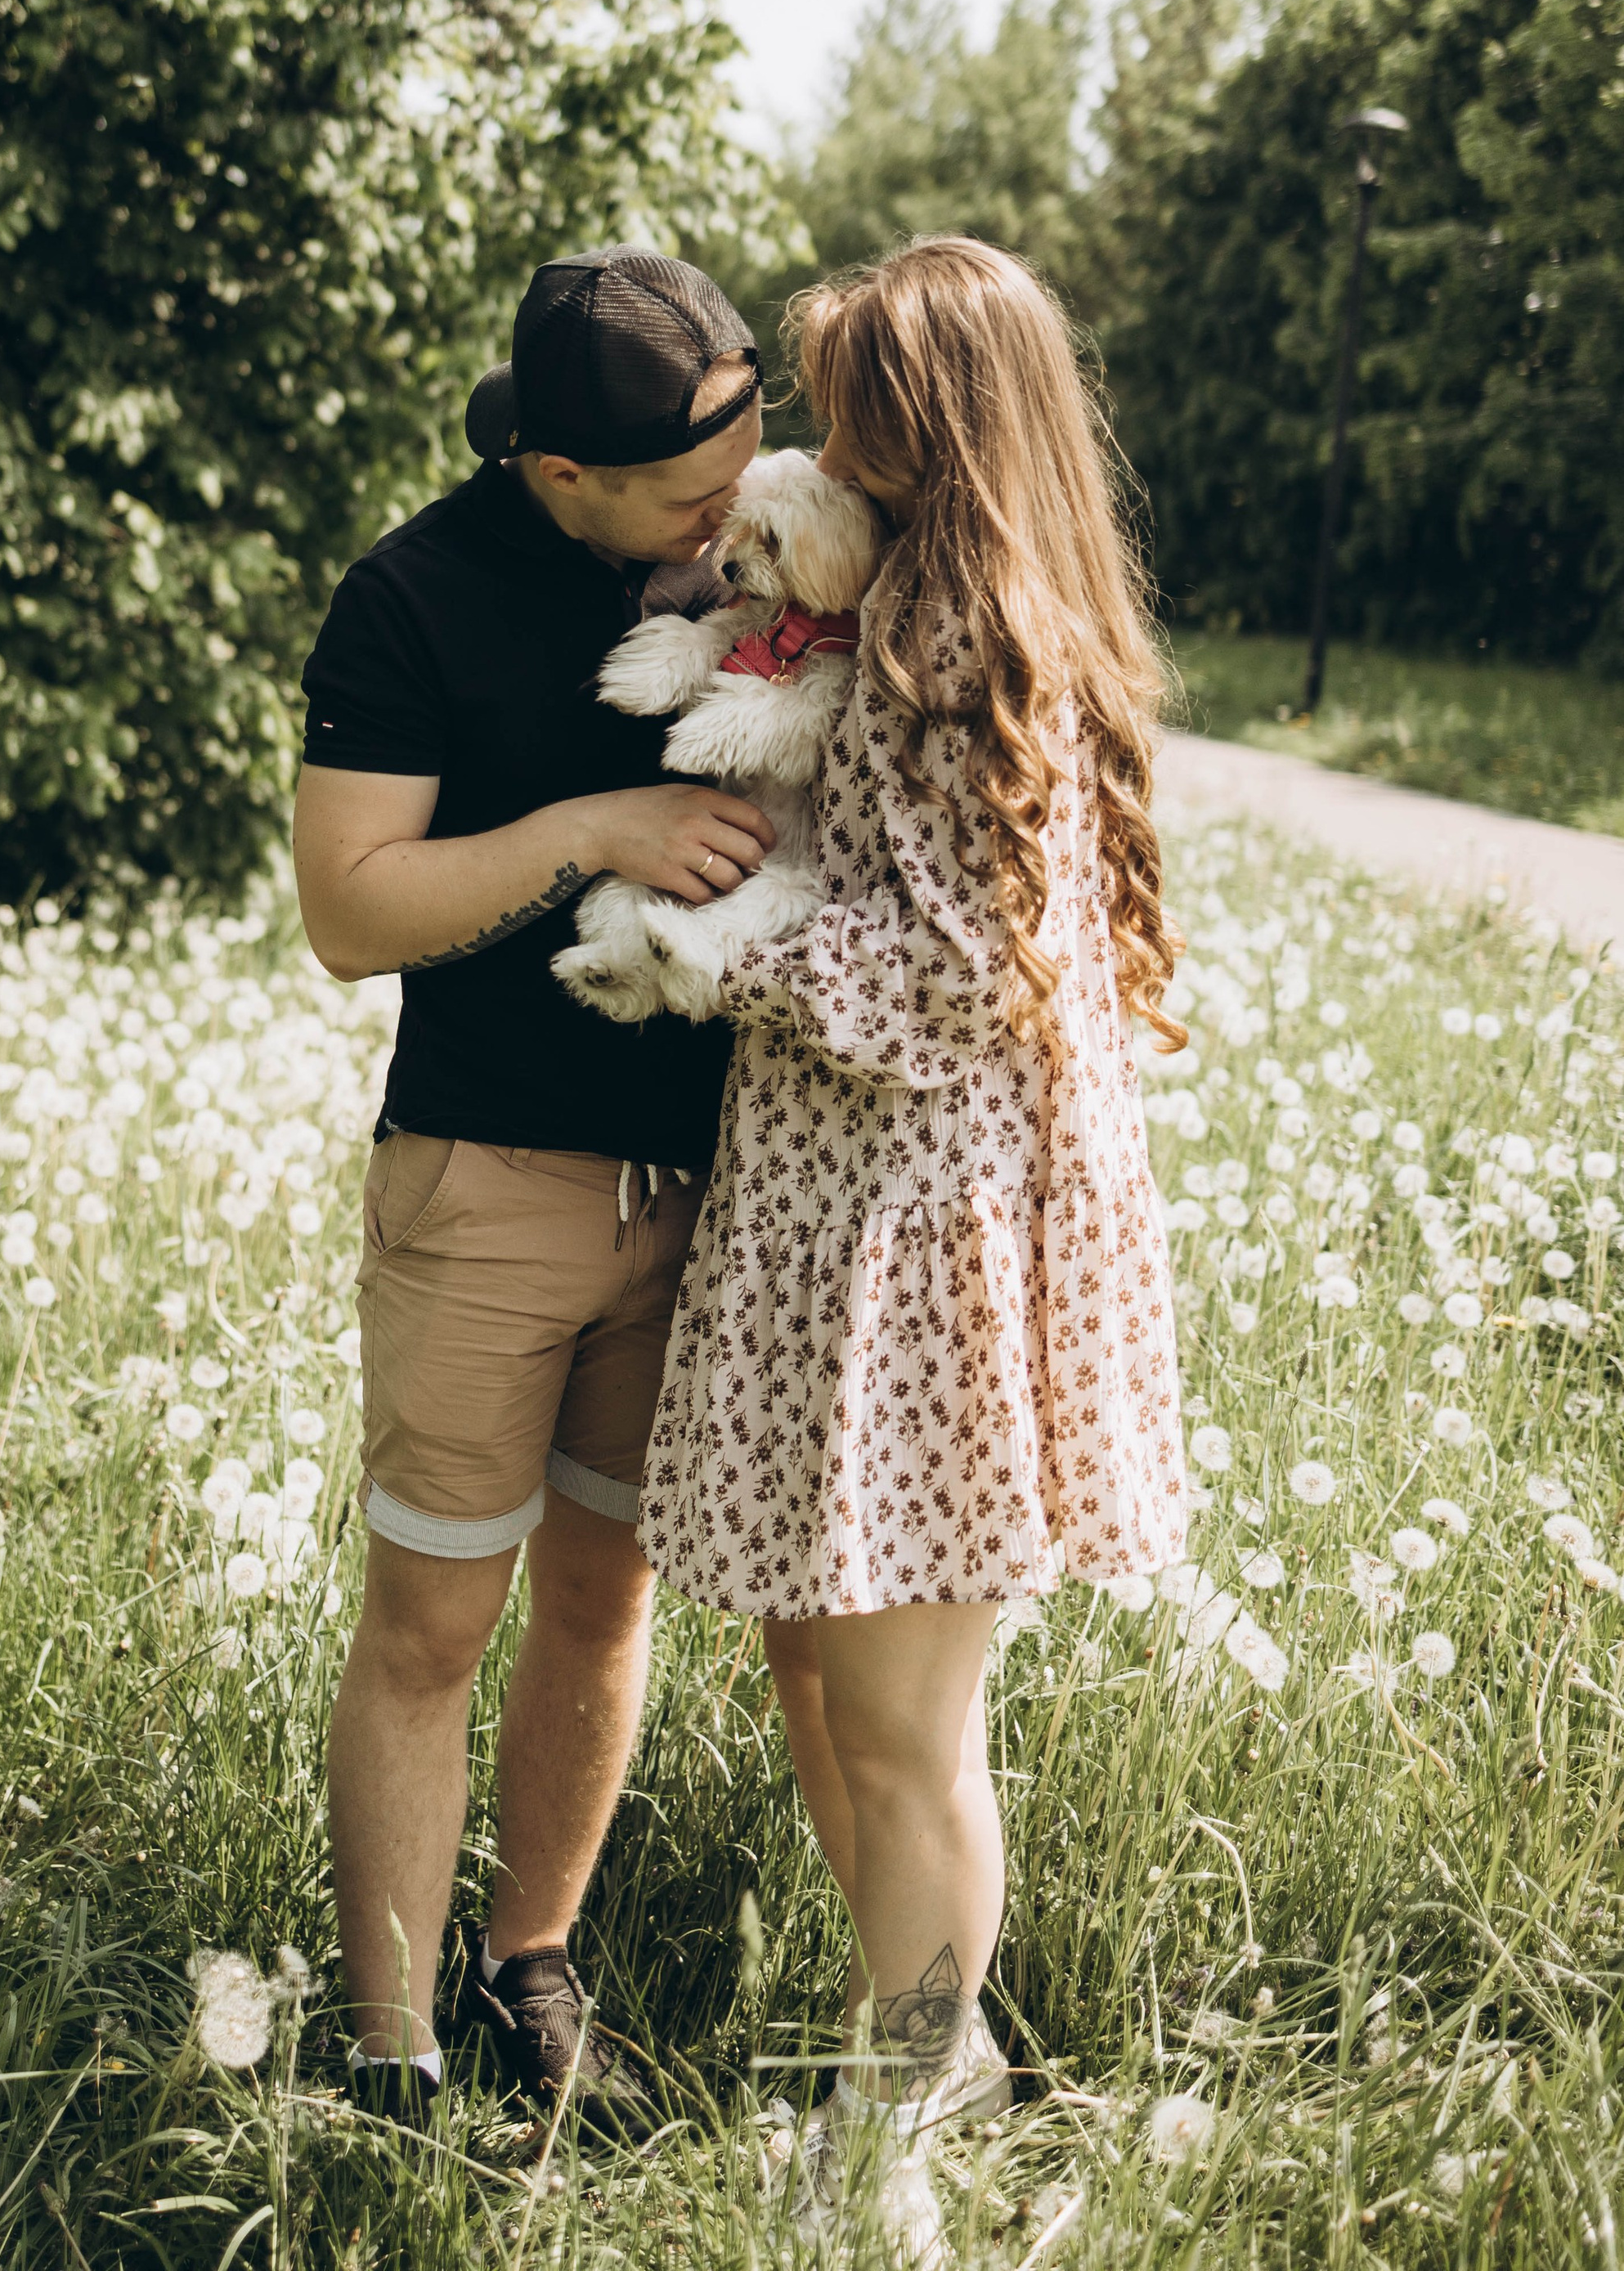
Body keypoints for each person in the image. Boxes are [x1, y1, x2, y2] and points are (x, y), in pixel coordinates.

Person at [636, 236, 1188, 2258]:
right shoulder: (905, 613)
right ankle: (938, 2078)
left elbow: (962, 976)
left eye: (853, 400)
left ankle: (898, 2147)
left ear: (934, 429)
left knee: (900, 1725)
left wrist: (724, 953)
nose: (816, 441)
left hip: (924, 1240)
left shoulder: (973, 652)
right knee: (848, 1695)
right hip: (857, 1219)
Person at [294, 245, 777, 2130]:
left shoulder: (754, 551)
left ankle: (532, 1965)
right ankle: (391, 2046)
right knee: (428, 1631)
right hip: (486, 1178)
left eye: (749, 454)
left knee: (603, 1603)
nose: (730, 513)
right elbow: (349, 912)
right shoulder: (410, 595)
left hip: (713, 1186)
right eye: (689, 492)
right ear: (558, 476)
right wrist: (588, 828)